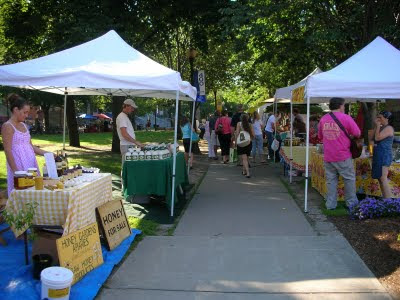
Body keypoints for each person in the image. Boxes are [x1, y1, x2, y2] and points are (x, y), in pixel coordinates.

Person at [2, 94, 51, 196]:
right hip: (18, 164)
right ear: (16, 110)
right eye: (25, 112)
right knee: (22, 192)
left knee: (34, 189)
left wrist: (48, 154)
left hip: (30, 162)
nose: (26, 115)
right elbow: (7, 150)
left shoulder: (24, 125)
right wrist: (16, 171)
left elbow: (30, 146)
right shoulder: (8, 126)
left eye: (27, 112)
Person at [318, 97, 361, 210]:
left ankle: (330, 204)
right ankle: (351, 203)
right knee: (349, 179)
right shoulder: (346, 118)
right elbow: (357, 133)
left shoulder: (323, 119)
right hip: (343, 155)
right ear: (341, 106)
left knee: (331, 181)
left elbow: (320, 136)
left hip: (328, 156)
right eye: (344, 105)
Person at [372, 111, 394, 199]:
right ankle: (385, 199)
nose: (378, 119)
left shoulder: (389, 128)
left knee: (383, 178)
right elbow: (372, 137)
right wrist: (376, 126)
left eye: (380, 117)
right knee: (379, 178)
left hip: (384, 155)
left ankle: (389, 202)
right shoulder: (381, 127)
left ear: (386, 118)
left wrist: (377, 126)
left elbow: (377, 138)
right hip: (378, 154)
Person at [116, 99, 144, 165]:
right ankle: (124, 176)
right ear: (126, 106)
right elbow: (124, 134)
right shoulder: (122, 117)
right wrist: (136, 142)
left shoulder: (124, 116)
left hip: (128, 145)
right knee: (127, 166)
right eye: (132, 108)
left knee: (130, 166)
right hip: (126, 145)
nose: (133, 110)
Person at [236, 114, 254, 178]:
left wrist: (236, 141)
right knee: (246, 158)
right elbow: (253, 135)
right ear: (247, 118)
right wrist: (250, 140)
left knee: (244, 159)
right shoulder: (250, 125)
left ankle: (248, 173)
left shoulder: (239, 124)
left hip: (241, 143)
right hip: (249, 143)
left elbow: (237, 133)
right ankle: (244, 171)